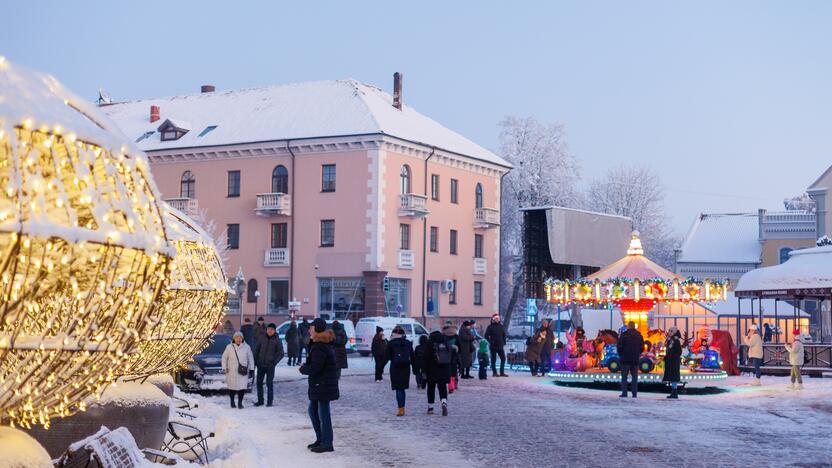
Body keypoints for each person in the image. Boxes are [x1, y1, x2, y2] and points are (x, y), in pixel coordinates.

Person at [300, 318, 339, 453]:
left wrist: (304, 369)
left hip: (322, 384)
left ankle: (327, 443)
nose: (309, 329)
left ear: (316, 329)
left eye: (311, 327)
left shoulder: (320, 346)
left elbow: (316, 367)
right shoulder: (318, 343)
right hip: (321, 384)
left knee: (323, 414)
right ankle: (321, 439)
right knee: (314, 411)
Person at [386, 325, 415, 416]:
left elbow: (387, 356)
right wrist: (415, 369)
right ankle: (403, 407)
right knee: (402, 389)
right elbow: (413, 357)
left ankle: (401, 409)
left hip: (395, 367)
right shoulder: (408, 343)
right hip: (406, 367)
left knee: (398, 389)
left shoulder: (391, 343)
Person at [254, 323, 284, 407]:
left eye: (272, 329)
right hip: (261, 365)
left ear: (274, 331)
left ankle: (270, 402)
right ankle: (260, 401)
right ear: (266, 330)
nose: (270, 331)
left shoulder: (277, 340)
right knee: (259, 383)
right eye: (268, 329)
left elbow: (281, 353)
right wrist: (256, 361)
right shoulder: (262, 338)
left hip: (270, 366)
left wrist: (274, 363)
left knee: (269, 383)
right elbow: (256, 350)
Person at [221, 331, 254, 409]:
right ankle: (232, 401)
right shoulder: (229, 347)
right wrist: (224, 368)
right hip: (231, 371)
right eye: (237, 337)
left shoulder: (247, 347)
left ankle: (240, 402)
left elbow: (251, 359)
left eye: (240, 337)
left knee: (242, 388)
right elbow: (224, 358)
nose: (238, 339)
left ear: (242, 339)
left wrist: (252, 369)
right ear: (234, 338)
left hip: (243, 371)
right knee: (232, 387)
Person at [423, 330, 451, 416]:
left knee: (431, 388)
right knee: (442, 388)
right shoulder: (445, 342)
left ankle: (430, 408)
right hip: (443, 369)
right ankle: (444, 402)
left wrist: (424, 370)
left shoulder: (429, 343)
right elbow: (450, 356)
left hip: (432, 370)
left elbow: (425, 358)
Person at [617, 321, 644, 398]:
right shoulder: (639, 336)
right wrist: (637, 353)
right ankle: (634, 393)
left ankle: (624, 393)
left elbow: (619, 347)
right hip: (635, 359)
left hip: (625, 359)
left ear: (628, 326)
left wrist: (621, 355)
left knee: (624, 377)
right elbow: (642, 347)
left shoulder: (624, 335)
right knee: (634, 377)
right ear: (635, 326)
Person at [662, 326, 683, 399]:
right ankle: (673, 393)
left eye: (671, 331)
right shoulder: (670, 340)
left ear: (674, 332)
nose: (669, 332)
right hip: (670, 361)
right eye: (669, 331)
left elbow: (679, 351)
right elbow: (668, 350)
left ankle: (675, 393)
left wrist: (673, 356)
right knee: (672, 377)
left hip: (674, 361)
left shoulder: (675, 340)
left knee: (674, 377)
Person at [442, 322, 460, 392]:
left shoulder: (443, 336)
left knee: (447, 371)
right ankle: (452, 385)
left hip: (444, 357)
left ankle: (449, 385)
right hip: (454, 357)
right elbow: (460, 347)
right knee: (453, 372)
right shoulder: (456, 337)